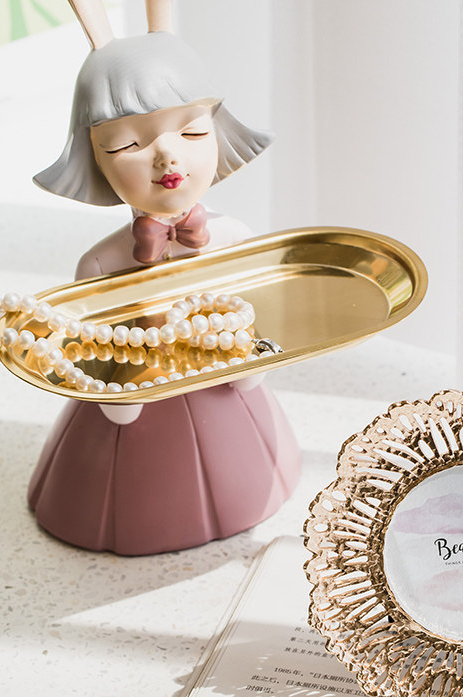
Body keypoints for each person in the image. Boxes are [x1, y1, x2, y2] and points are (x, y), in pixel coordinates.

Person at [28, 0, 300, 555]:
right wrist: (127, 383)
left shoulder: (234, 236)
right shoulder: (100, 265)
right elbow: (98, 371)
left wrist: (245, 360)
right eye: (127, 144)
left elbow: (264, 332)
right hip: (133, 429)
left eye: (193, 132)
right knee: (127, 494)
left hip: (231, 402)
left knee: (248, 471)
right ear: (94, 159)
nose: (167, 158)